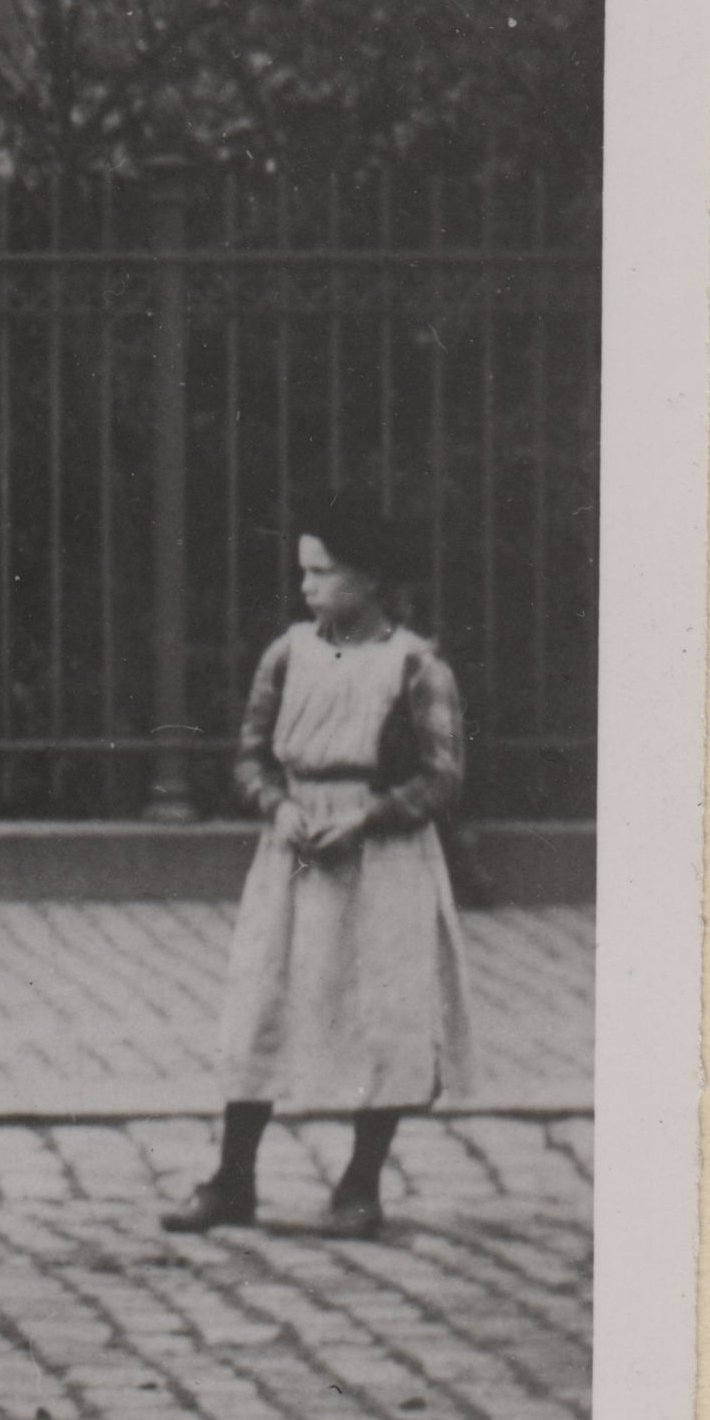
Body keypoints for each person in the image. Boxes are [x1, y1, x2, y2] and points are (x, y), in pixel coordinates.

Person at [161, 497, 475, 1239]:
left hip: (382, 861)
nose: (307, 586)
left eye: (324, 571)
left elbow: (443, 777)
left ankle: (361, 1185)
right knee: (261, 1001)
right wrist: (277, 806)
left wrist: (369, 815)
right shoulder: (288, 653)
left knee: (384, 1013)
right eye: (303, 571)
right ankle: (233, 1178)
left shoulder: (416, 665)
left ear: (369, 578)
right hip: (295, 854)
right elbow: (250, 756)